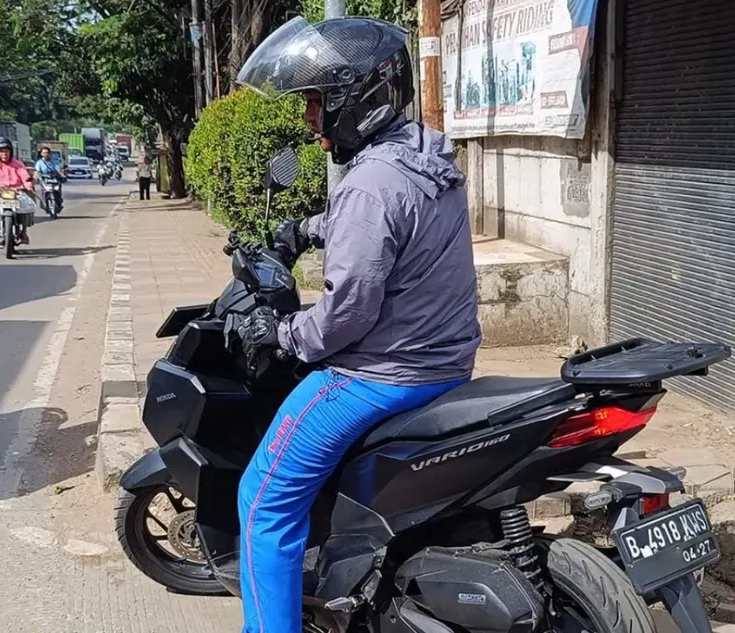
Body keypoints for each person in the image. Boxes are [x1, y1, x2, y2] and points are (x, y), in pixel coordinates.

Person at [232, 16, 481, 633]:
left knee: (261, 501)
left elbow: (346, 314)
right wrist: (305, 229)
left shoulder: (368, 184)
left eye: (317, 102)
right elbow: (388, 227)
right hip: (445, 365)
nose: (310, 120)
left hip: (378, 375)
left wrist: (280, 334)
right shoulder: (427, 157)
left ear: (357, 98)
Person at [0, 137, 34, 244]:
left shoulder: (18, 164)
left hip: (17, 192)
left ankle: (24, 231)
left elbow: (26, 177)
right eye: (1, 151)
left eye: (6, 151)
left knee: (27, 205)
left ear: (11, 151)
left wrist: (28, 187)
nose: (4, 154)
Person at [33, 146, 65, 212]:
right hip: (44, 179)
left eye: (47, 153)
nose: (46, 154)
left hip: (54, 178)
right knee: (44, 190)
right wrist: (36, 177)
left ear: (49, 154)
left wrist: (61, 174)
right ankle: (44, 203)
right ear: (41, 154)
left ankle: (59, 201)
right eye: (44, 153)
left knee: (58, 188)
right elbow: (36, 171)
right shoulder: (39, 162)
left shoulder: (54, 162)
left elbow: (58, 169)